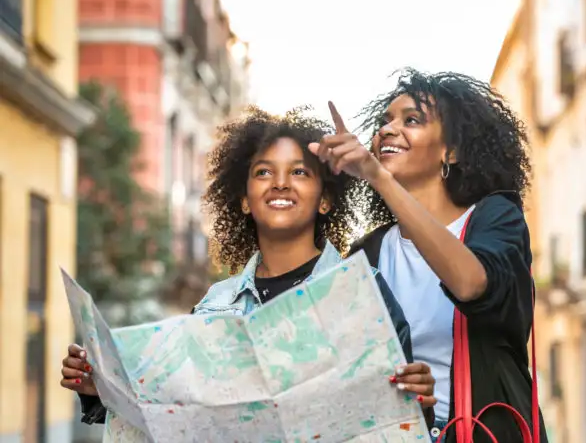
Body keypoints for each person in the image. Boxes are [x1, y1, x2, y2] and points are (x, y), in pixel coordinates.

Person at [60, 106, 436, 428]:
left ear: (325, 201)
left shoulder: (363, 292)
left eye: (300, 172)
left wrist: (416, 405)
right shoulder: (214, 304)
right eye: (263, 172)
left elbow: (394, 419)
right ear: (243, 202)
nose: (281, 183)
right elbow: (174, 410)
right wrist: (102, 387)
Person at [309, 69, 548, 443]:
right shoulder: (367, 255)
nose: (388, 129)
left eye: (412, 120)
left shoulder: (494, 218)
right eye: (385, 122)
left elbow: (471, 284)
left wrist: (377, 176)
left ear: (450, 150)